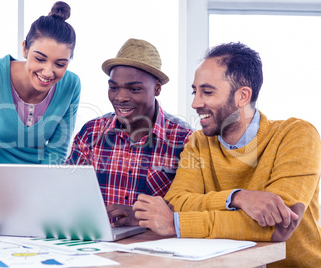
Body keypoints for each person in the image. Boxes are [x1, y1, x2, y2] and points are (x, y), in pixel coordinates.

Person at [133, 42, 321, 267]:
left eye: (207, 92)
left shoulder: (296, 135)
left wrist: (177, 224)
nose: (195, 103)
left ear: (242, 96)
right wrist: (237, 198)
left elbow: (278, 227)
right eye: (195, 91)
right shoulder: (199, 142)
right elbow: (176, 201)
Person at [0, 1, 80, 219]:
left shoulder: (71, 85)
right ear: (25, 48)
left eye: (60, 64)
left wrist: (39, 201)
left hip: (39, 193)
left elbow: (57, 151)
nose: (48, 72)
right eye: (40, 59)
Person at [65, 38, 193, 227]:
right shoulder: (91, 133)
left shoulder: (184, 139)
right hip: (97, 244)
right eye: (113, 87)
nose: (121, 97)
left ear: (157, 88)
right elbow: (65, 193)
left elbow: (192, 206)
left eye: (134, 89)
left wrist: (141, 218)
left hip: (153, 248)